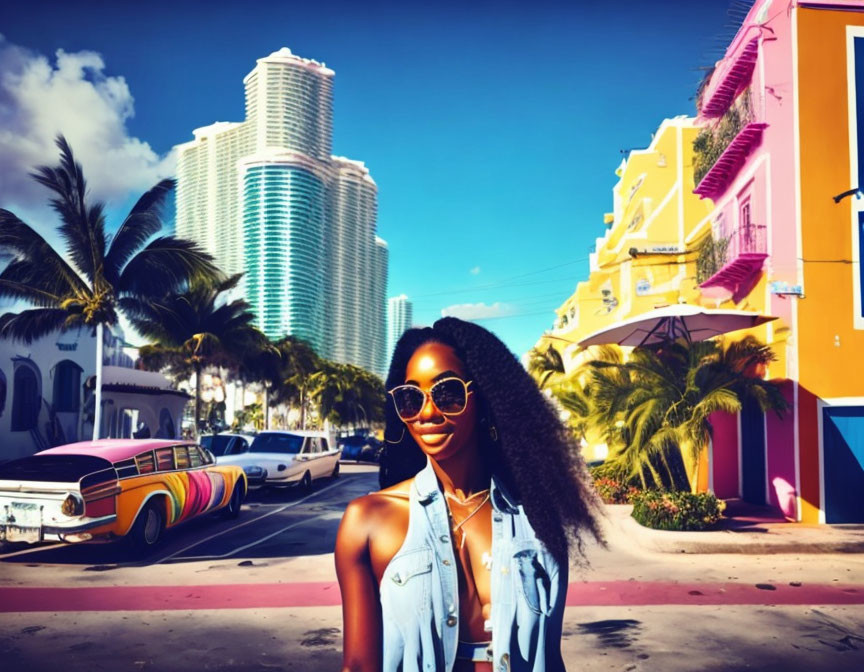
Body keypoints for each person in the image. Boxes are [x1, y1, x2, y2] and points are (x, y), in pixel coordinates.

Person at [335, 317, 605, 672]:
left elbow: (550, 657)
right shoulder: (367, 521)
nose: (427, 413)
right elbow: (357, 667)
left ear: (485, 400)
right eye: (410, 398)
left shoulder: (538, 517)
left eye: (447, 393)